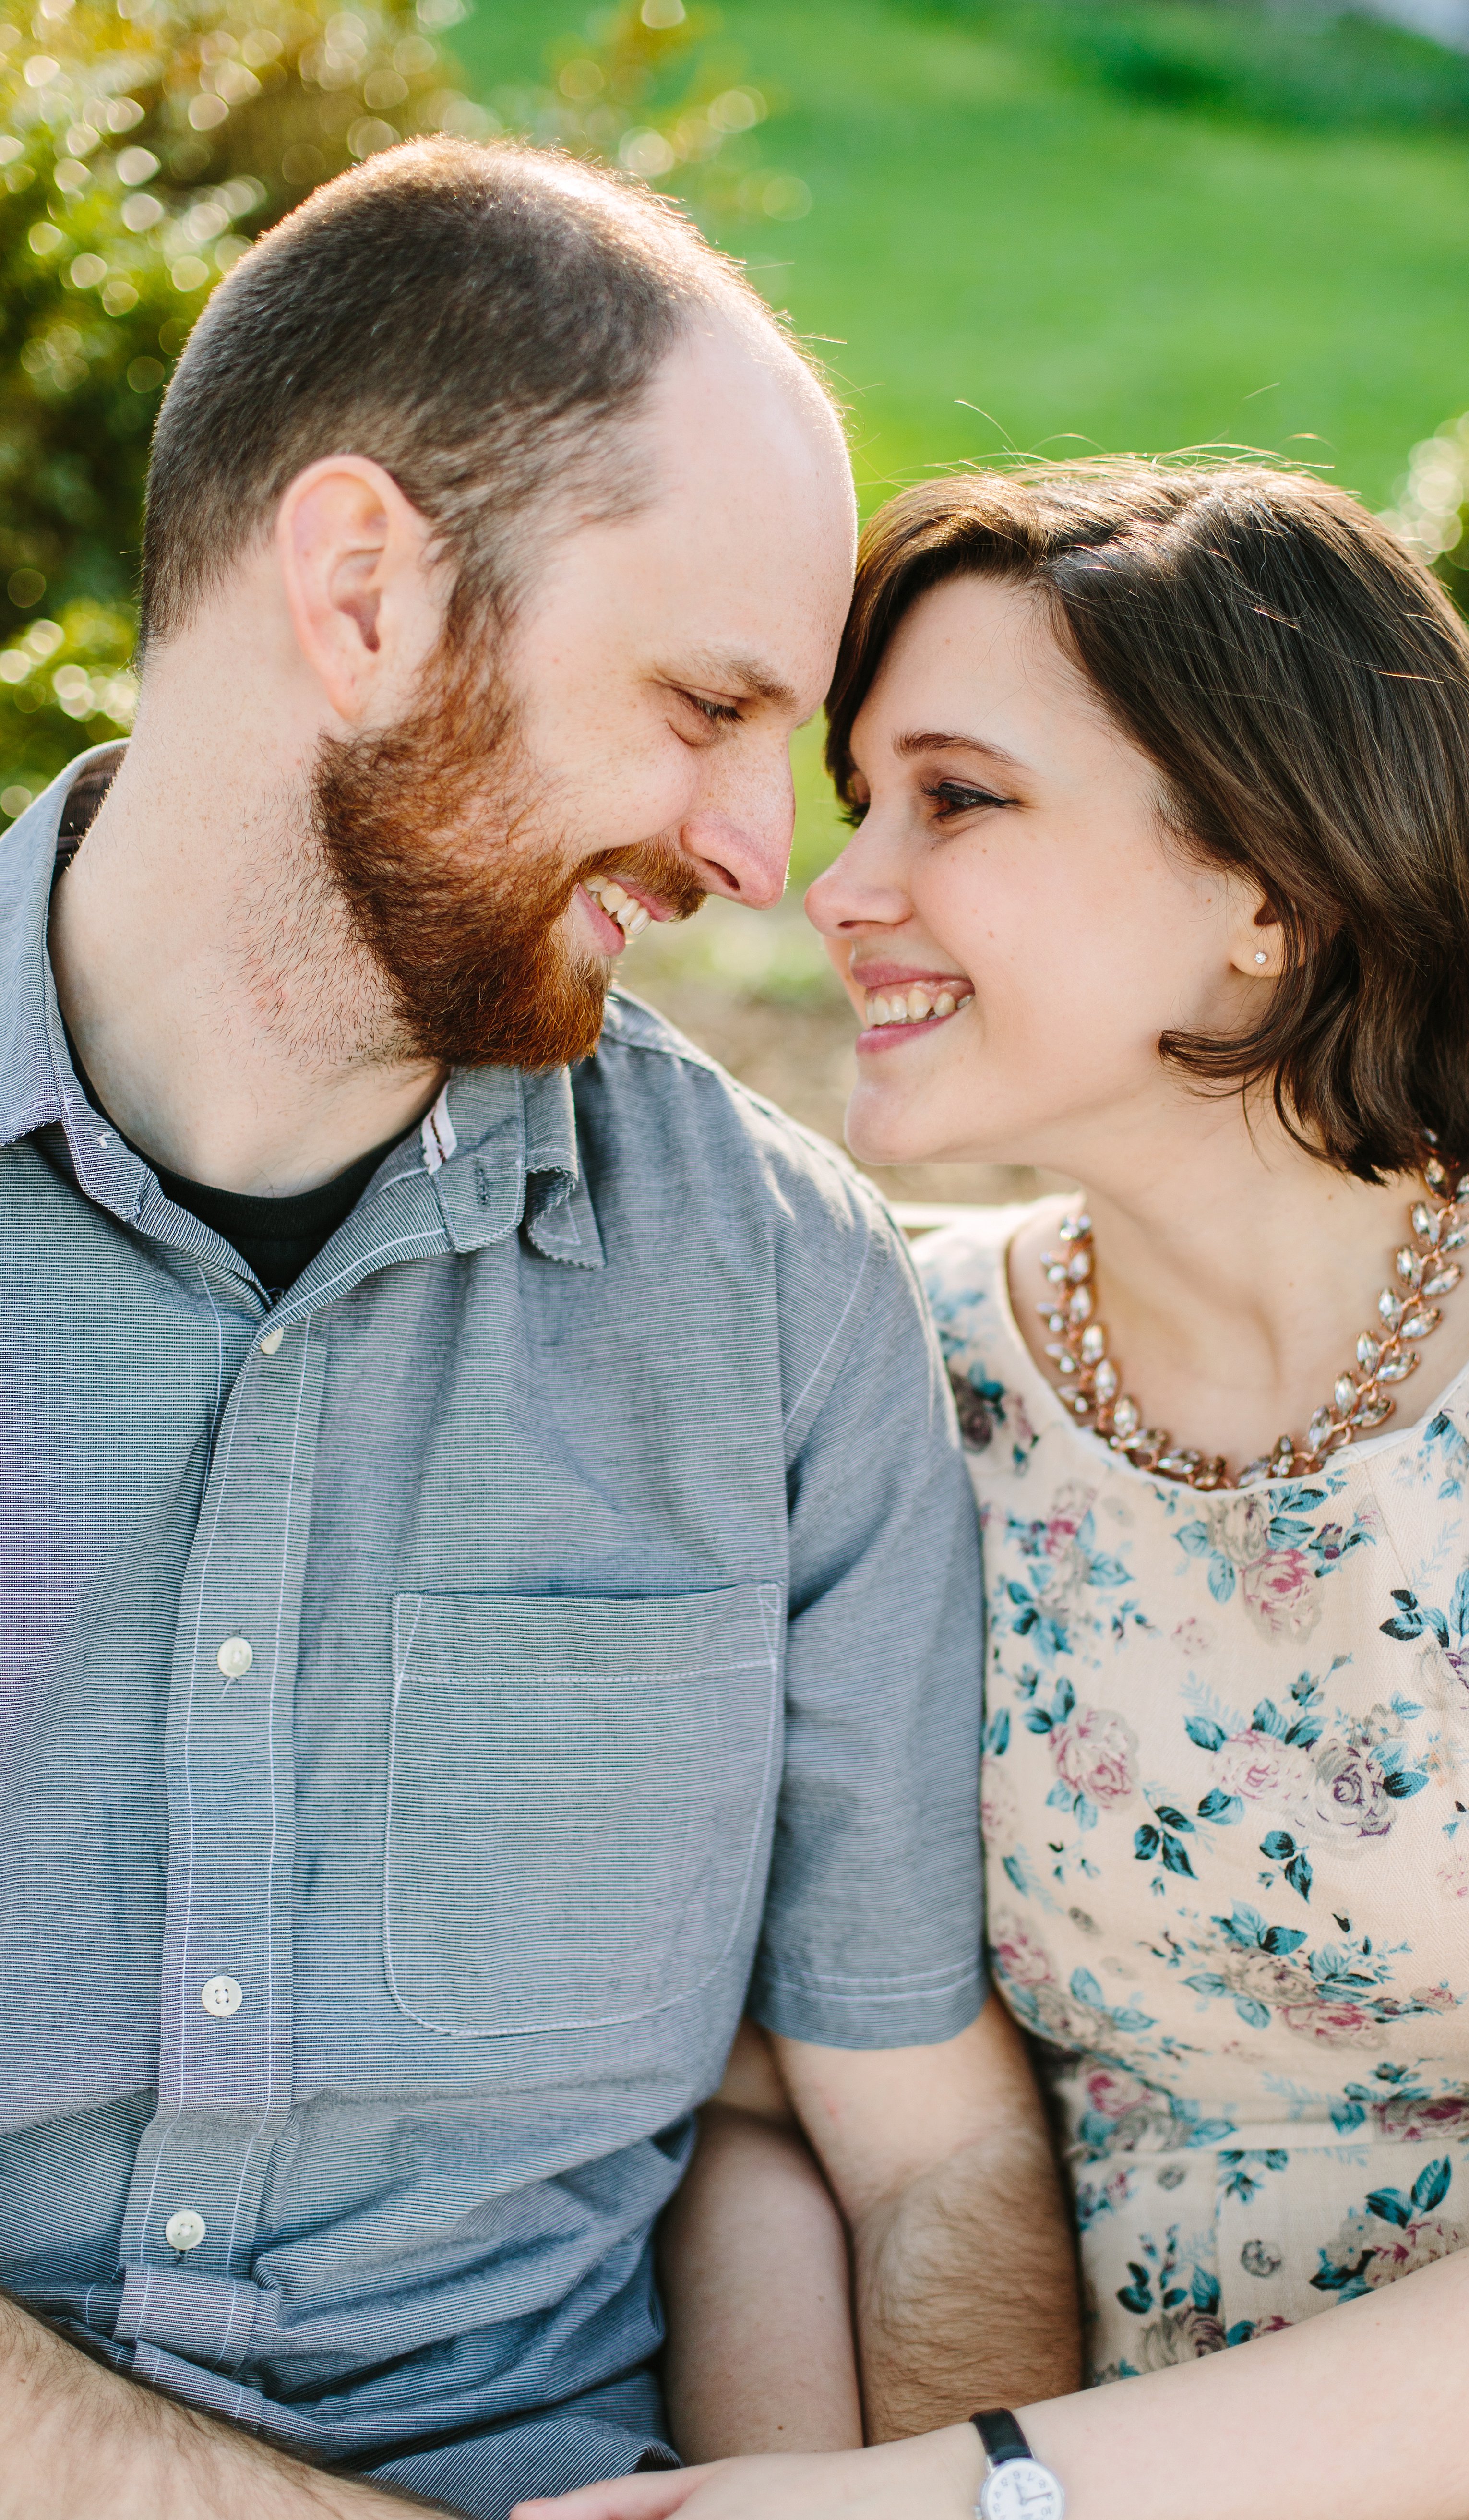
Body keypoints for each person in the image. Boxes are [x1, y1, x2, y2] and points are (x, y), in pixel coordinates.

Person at [0, 146, 1082, 2520]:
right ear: (364, 589)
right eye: (702, 708)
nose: (755, 861)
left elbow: (922, 2161)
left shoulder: (777, 1301)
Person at [531, 461, 1469, 2520]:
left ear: (1275, 889)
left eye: (954, 798)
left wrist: (954, 2504)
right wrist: (796, 2489)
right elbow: (765, 2099)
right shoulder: (894, 1364)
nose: (837, 885)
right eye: (856, 795)